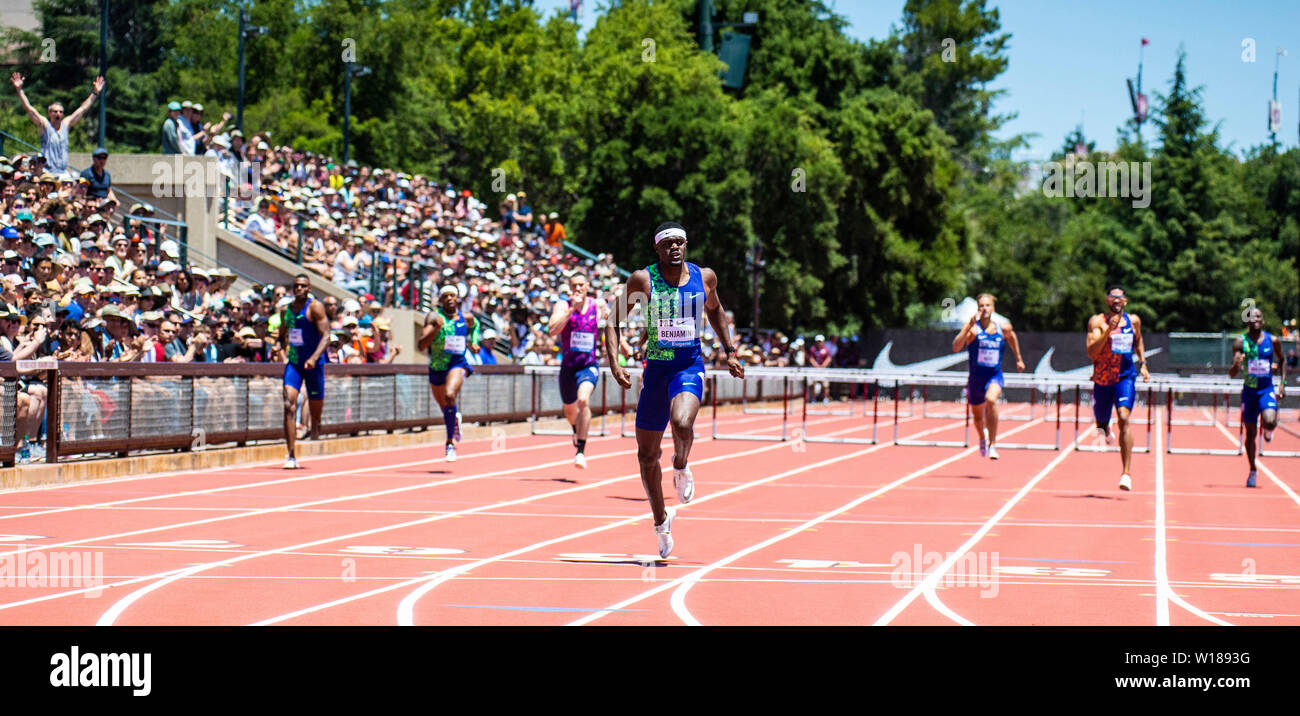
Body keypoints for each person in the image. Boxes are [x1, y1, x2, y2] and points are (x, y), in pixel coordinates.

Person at [605, 222, 743, 558]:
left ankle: (680, 464)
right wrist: (615, 363)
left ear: (686, 244)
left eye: (680, 242)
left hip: (687, 366)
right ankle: (660, 521)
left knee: (682, 423)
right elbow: (613, 320)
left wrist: (730, 351)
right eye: (667, 244)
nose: (675, 248)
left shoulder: (704, 277)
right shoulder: (643, 280)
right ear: (658, 249)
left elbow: (715, 311)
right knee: (646, 456)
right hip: (656, 371)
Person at [1085, 284, 1151, 491]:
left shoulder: (1134, 321)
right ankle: (1105, 427)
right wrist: (1108, 332)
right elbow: (1091, 352)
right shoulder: (1097, 322)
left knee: (1124, 416)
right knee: (1101, 426)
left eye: (1120, 297)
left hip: (1125, 377)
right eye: (1112, 297)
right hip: (1103, 379)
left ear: (1125, 301)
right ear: (1107, 301)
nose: (1116, 300)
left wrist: (1143, 364)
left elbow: (1138, 341)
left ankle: (1126, 473)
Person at [952, 293, 1025, 460]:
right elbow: (956, 347)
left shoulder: (1002, 328)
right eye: (981, 306)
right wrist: (966, 327)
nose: (984, 309)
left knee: (991, 400)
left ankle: (993, 444)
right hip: (976, 379)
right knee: (978, 419)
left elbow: (1012, 336)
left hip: (994, 375)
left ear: (993, 308)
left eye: (987, 305)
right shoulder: (973, 329)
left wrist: (1019, 359)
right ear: (977, 309)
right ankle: (982, 438)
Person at [548, 273, 607, 469]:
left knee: (583, 400)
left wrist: (621, 342)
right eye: (574, 285)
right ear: (569, 287)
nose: (578, 289)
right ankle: (575, 428)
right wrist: (571, 309)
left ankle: (581, 450)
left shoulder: (596, 304)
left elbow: (613, 321)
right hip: (568, 366)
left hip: (588, 364)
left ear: (588, 286)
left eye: (581, 285)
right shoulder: (562, 305)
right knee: (570, 410)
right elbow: (552, 330)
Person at [418, 285, 479, 462]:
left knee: (450, 395)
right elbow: (421, 345)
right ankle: (454, 420)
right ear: (441, 300)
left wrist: (473, 342)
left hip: (457, 362)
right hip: (437, 365)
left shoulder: (465, 317)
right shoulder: (434, 318)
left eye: (453, 295)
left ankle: (450, 443)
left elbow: (475, 326)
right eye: (446, 296)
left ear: (458, 298)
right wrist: (436, 328)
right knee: (445, 406)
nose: (450, 299)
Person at [1229, 307, 1286, 488]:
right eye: (1251, 317)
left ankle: (1269, 429)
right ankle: (1253, 469)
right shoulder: (1241, 342)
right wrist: (1236, 365)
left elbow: (1282, 360)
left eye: (1258, 317)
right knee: (1251, 433)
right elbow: (1231, 373)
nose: (1255, 319)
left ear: (1263, 320)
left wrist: (1283, 383)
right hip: (1249, 392)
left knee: (1269, 420)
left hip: (1266, 388)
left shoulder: (1273, 340)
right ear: (1247, 321)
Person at [278, 274, 330, 469]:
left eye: (303, 286)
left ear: (308, 288)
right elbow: (282, 334)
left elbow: (326, 336)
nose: (299, 289)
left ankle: (315, 424)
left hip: (314, 364)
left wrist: (314, 358)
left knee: (316, 411)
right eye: (296, 286)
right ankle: (291, 455)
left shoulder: (315, 307)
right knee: (288, 404)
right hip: (295, 363)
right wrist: (279, 347)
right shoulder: (286, 311)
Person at [10, 72, 104, 175]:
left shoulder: (65, 125)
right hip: (47, 171)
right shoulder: (45, 125)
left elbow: (82, 109)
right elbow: (29, 109)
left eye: (60, 112)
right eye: (55, 112)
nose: (58, 114)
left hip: (62, 171)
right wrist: (19, 90)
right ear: (49, 113)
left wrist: (95, 93)